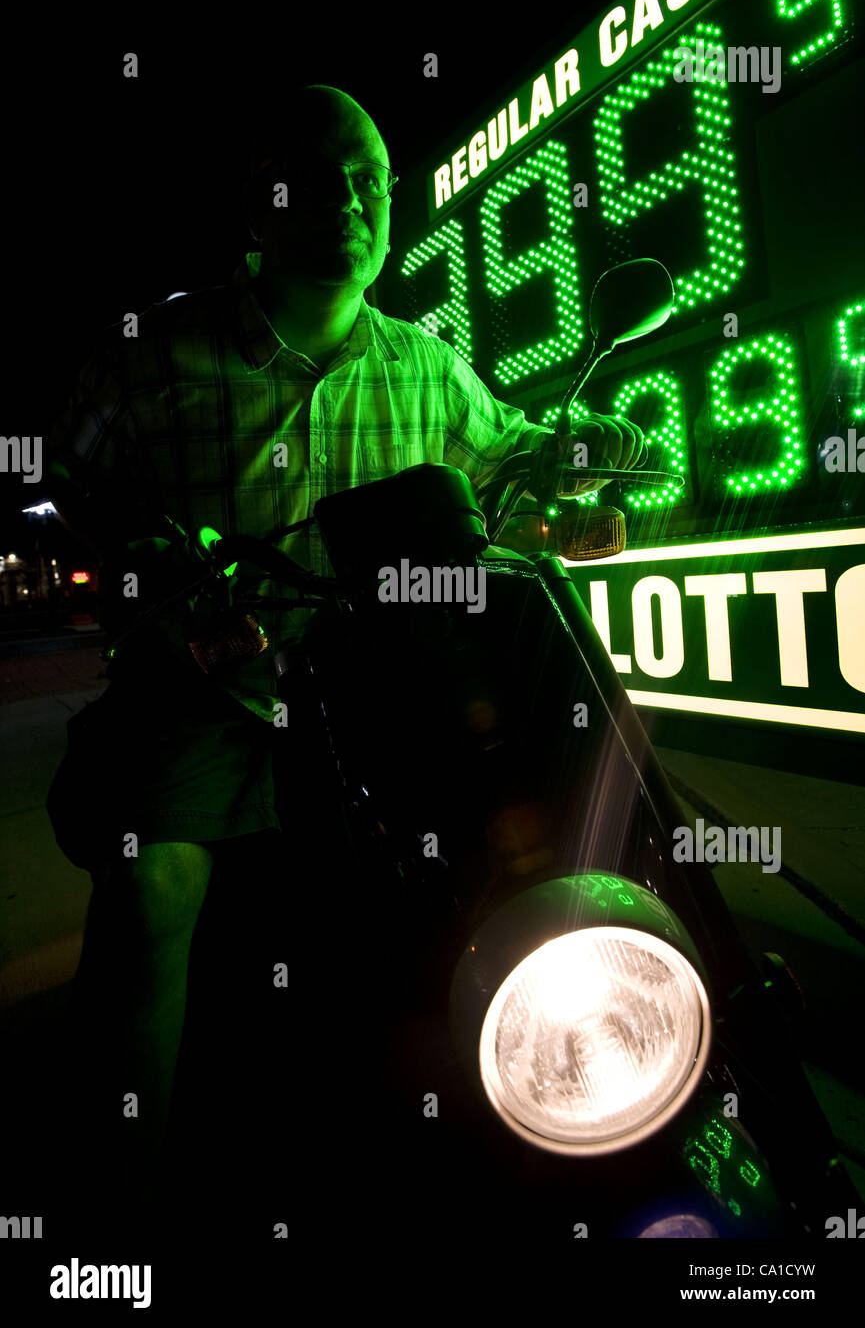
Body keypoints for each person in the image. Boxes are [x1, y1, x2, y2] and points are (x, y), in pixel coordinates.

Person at [45, 83, 645, 1218]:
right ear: (259, 210)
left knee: (519, 847)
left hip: (383, 696)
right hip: (213, 694)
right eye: (324, 178)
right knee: (153, 881)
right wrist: (154, 579)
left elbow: (510, 467)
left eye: (372, 177)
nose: (357, 201)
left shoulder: (426, 364)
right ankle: (115, 1202)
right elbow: (70, 483)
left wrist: (583, 460)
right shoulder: (154, 352)